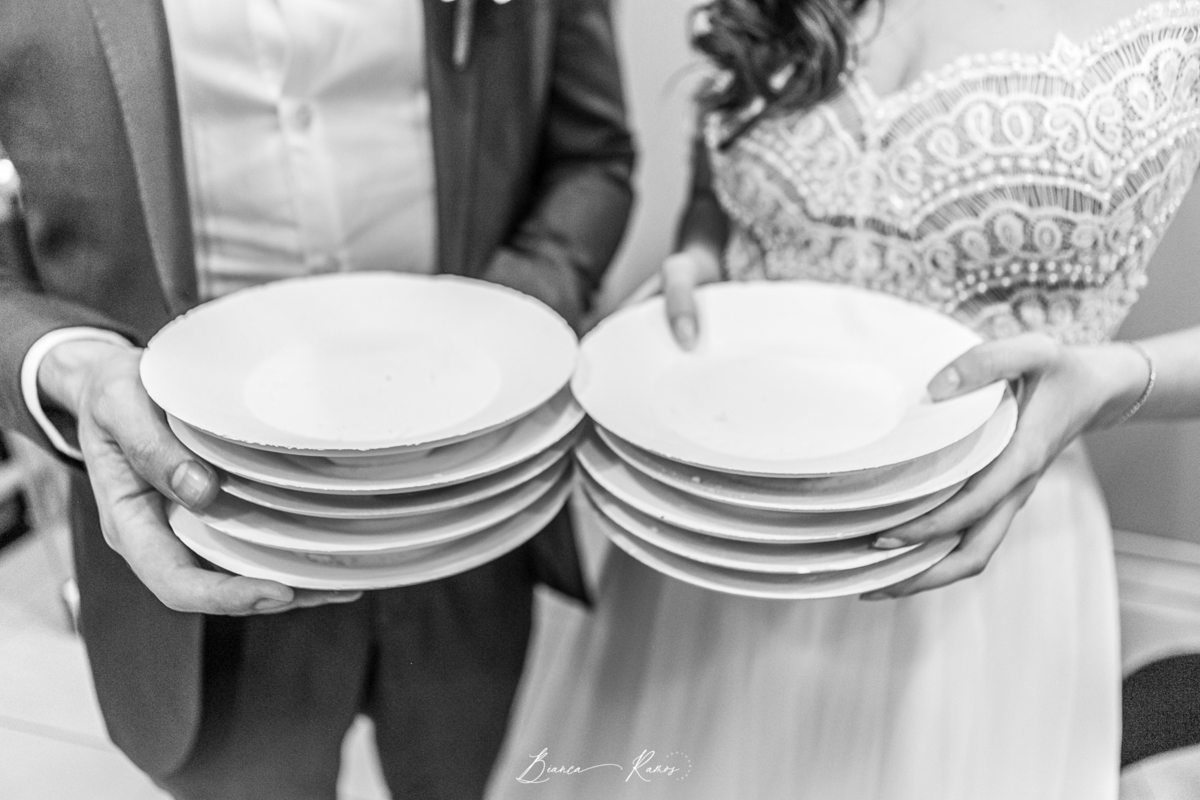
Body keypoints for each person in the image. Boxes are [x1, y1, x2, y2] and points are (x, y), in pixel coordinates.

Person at [489, 0, 1200, 797]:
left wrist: (1117, 378)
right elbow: (721, 180)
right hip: (722, 525)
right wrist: (702, 253)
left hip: (973, 549)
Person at [0, 0, 633, 797]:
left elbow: (591, 158)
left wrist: (508, 330)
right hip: (200, 526)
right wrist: (69, 366)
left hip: (472, 511)